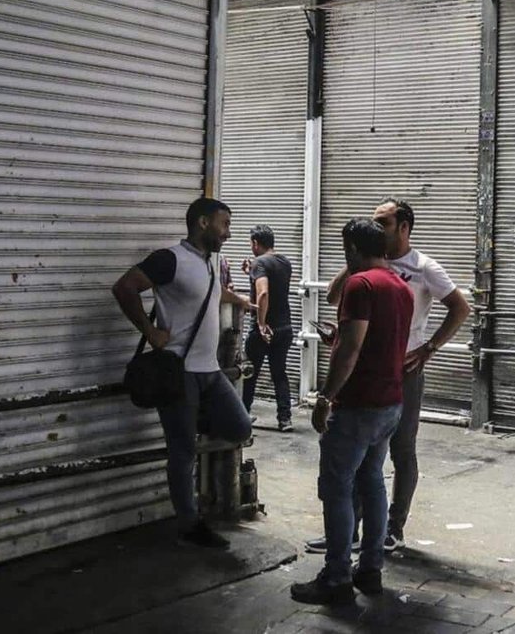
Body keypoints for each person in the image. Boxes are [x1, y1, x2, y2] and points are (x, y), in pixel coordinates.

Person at [311, 198, 471, 553]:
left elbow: (461, 308)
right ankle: (348, 532)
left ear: (404, 227)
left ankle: (393, 528)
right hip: (363, 371)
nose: (376, 227)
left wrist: (429, 348)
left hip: (402, 370)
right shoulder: (369, 265)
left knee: (400, 450)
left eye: (383, 222)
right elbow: (334, 298)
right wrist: (353, 261)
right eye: (374, 221)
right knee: (362, 459)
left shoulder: (423, 267)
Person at [110, 197, 255, 549]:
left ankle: (192, 418)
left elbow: (211, 294)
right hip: (179, 372)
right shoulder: (169, 259)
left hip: (210, 370)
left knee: (240, 426)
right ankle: (189, 525)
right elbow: (124, 287)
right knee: (183, 451)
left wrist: (239, 301)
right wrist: (149, 331)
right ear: (203, 223)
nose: (228, 233)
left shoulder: (208, 263)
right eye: (224, 224)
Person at [291, 218, 415, 605]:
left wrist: (325, 398)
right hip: (390, 403)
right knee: (372, 482)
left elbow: (351, 350)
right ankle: (370, 570)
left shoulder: (360, 284)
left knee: (337, 489)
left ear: (352, 249)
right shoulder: (401, 286)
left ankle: (337, 576)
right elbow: (377, 340)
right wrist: (341, 337)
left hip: (358, 405)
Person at [243, 225, 295, 430]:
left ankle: (242, 416)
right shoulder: (284, 262)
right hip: (285, 327)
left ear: (255, 243)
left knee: (250, 373)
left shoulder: (259, 263)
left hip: (265, 330)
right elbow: (274, 282)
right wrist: (251, 272)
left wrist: (261, 323)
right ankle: (285, 419)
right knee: (279, 373)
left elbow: (263, 293)